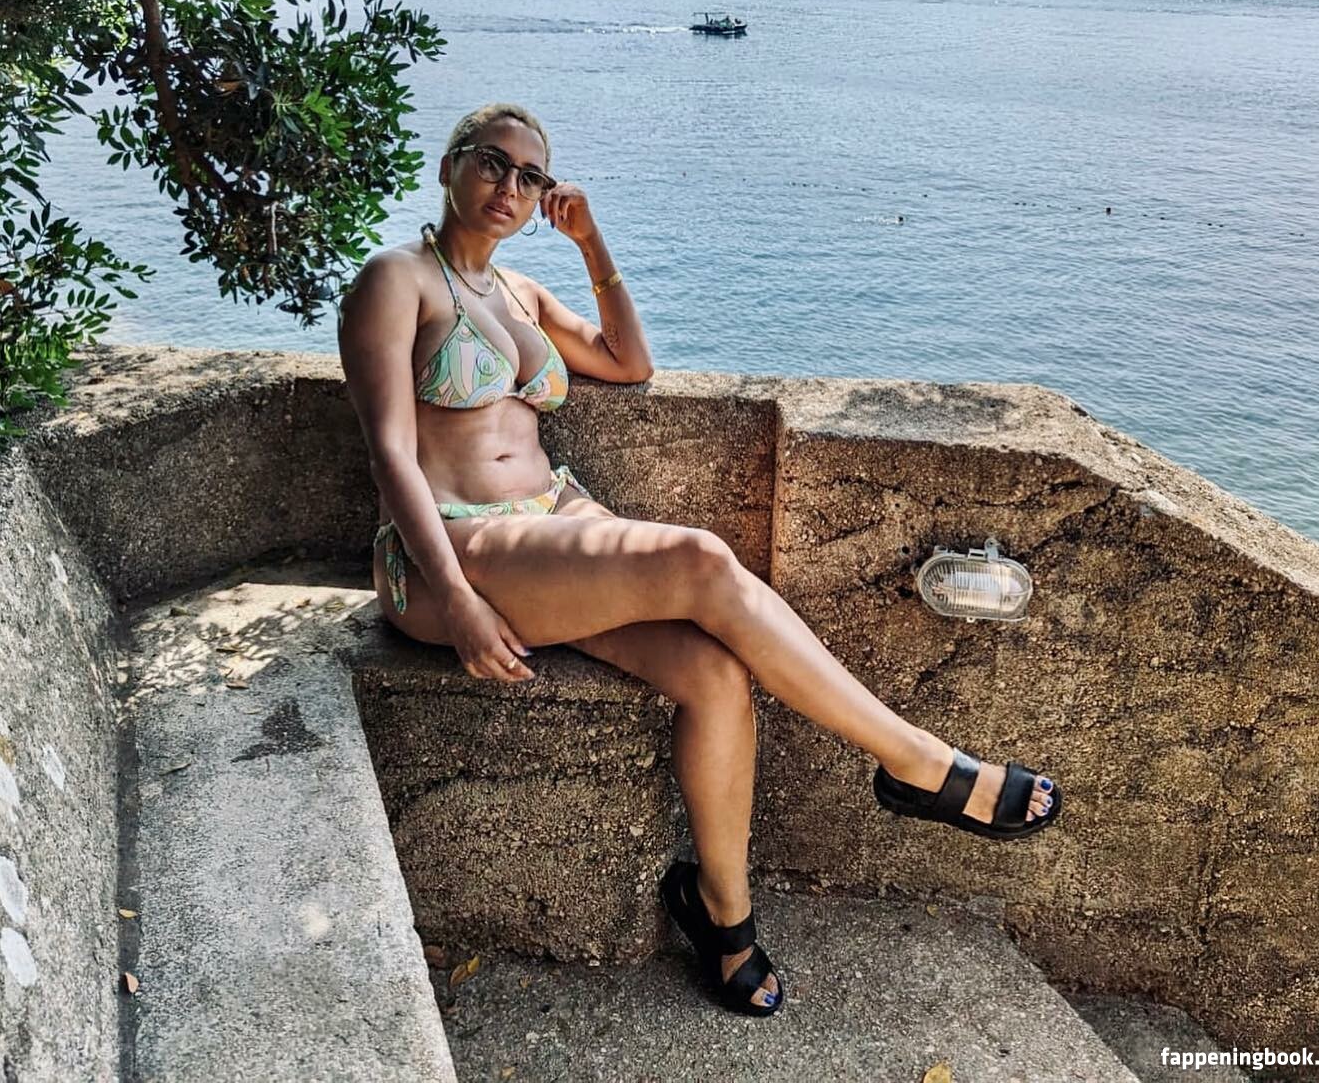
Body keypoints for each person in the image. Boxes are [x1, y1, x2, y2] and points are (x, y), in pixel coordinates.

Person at [336, 102, 1062, 1019]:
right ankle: (919, 764)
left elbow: (630, 364)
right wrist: (457, 597)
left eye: (531, 177)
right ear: (449, 166)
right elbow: (390, 455)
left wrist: (591, 243)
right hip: (451, 550)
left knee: (717, 676)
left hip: (548, 527)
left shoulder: (518, 294)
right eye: (491, 163)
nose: (510, 187)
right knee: (702, 559)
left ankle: (722, 915)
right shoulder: (396, 280)